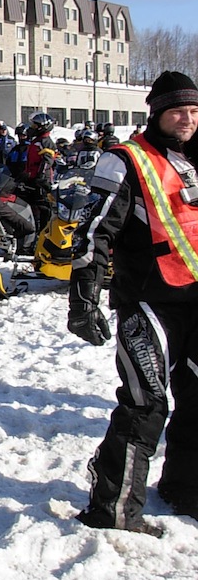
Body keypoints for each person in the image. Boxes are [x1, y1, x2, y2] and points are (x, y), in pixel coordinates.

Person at [69, 70, 198, 537]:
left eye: (194, 111)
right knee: (145, 406)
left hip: (196, 302)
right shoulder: (124, 160)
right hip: (148, 304)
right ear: (157, 112)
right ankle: (113, 508)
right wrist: (83, 299)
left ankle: (185, 489)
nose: (187, 119)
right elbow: (91, 232)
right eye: (177, 110)